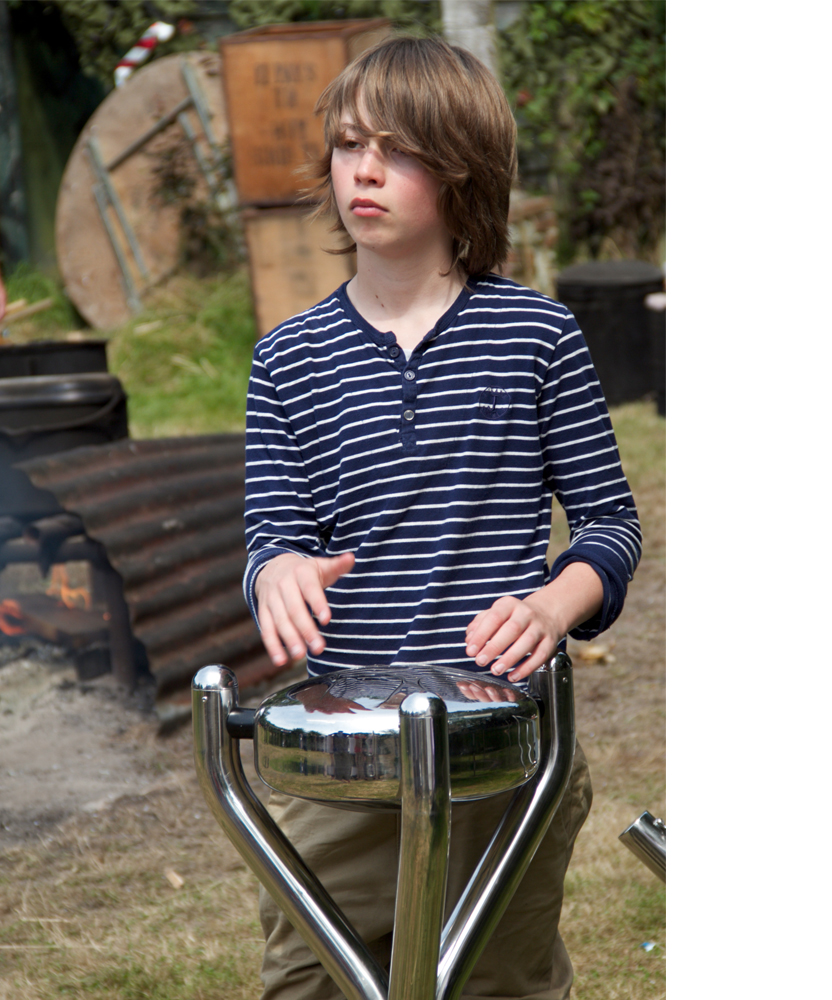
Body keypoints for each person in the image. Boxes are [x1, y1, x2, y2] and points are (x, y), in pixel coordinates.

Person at [242, 36, 642, 1000]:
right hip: (345, 752)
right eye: (346, 145)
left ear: (463, 171)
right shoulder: (286, 358)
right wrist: (279, 574)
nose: (363, 169)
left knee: (495, 981)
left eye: (397, 148)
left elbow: (610, 528)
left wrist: (553, 608)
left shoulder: (536, 335)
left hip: (502, 749)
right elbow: (272, 536)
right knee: (309, 980)